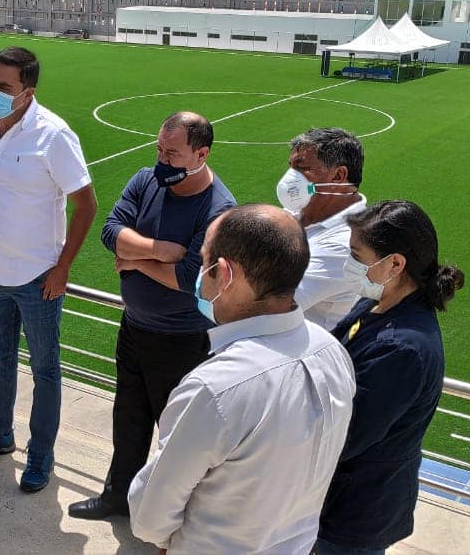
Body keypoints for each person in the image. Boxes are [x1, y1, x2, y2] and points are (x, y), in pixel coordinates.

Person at [128, 204, 356, 554]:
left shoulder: (216, 388)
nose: (201, 275)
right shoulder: (333, 353)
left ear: (225, 273)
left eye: (204, 264)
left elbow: (150, 514)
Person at [68, 112, 234, 520]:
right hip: (135, 327)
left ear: (201, 154)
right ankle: (118, 496)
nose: (162, 159)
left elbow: (190, 277)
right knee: (128, 416)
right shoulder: (146, 179)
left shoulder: (218, 208)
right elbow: (110, 232)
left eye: (172, 153)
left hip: (181, 341)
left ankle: (171, 517)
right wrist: (160, 251)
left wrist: (135, 261)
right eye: (159, 149)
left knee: (176, 436)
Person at [0, 46, 97, 494]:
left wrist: (62, 269)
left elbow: (86, 204)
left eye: (4, 87)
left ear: (27, 91)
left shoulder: (53, 135)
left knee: (45, 370)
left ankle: (40, 457)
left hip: (39, 277)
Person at [316, 200, 465, 555]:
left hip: (352, 514)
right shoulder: (378, 304)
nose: (349, 264)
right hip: (339, 502)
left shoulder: (403, 349)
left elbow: (346, 436)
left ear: (395, 264)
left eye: (356, 254)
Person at [276, 127, 368, 330]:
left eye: (302, 168)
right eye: (291, 166)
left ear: (338, 176)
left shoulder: (346, 244)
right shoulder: (297, 210)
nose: (290, 177)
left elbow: (268, 308)